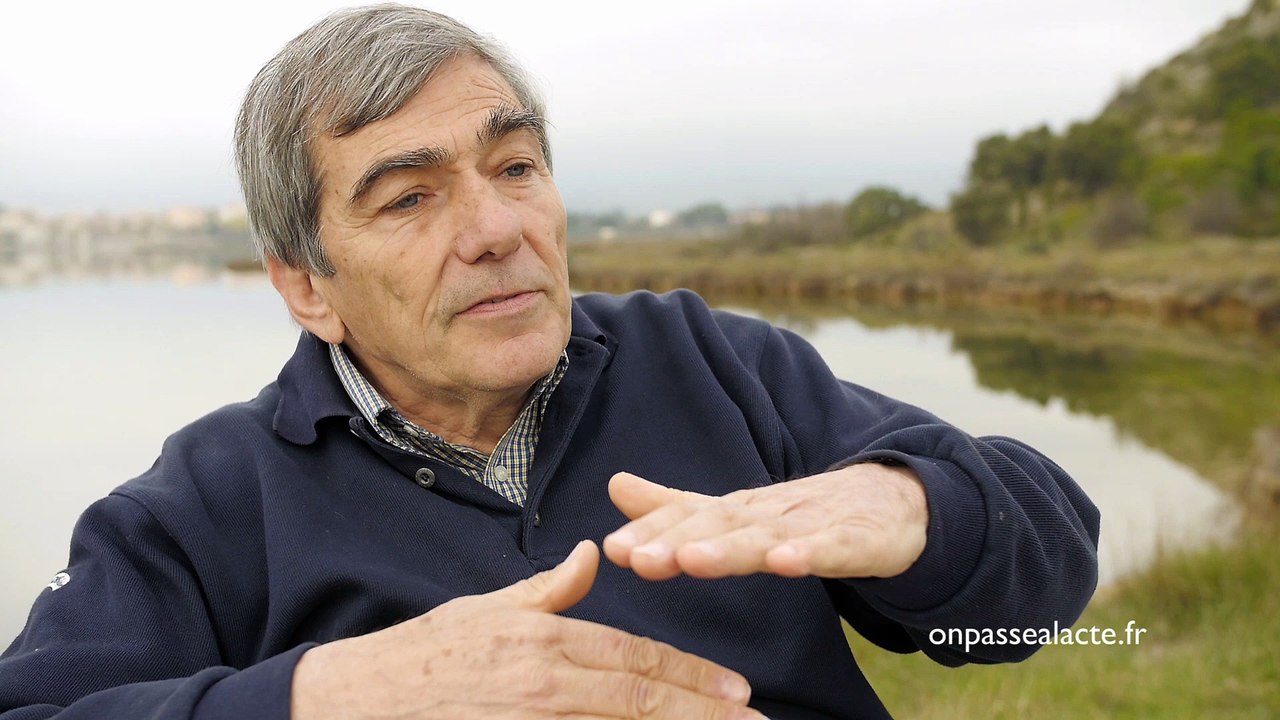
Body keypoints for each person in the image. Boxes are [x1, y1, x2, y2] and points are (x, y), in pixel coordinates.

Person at [0, 5, 1100, 719]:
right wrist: (325, 695)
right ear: (305, 285)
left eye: (515, 165)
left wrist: (915, 512)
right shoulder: (205, 502)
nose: (495, 228)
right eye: (411, 197)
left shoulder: (712, 361)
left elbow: (1026, 608)